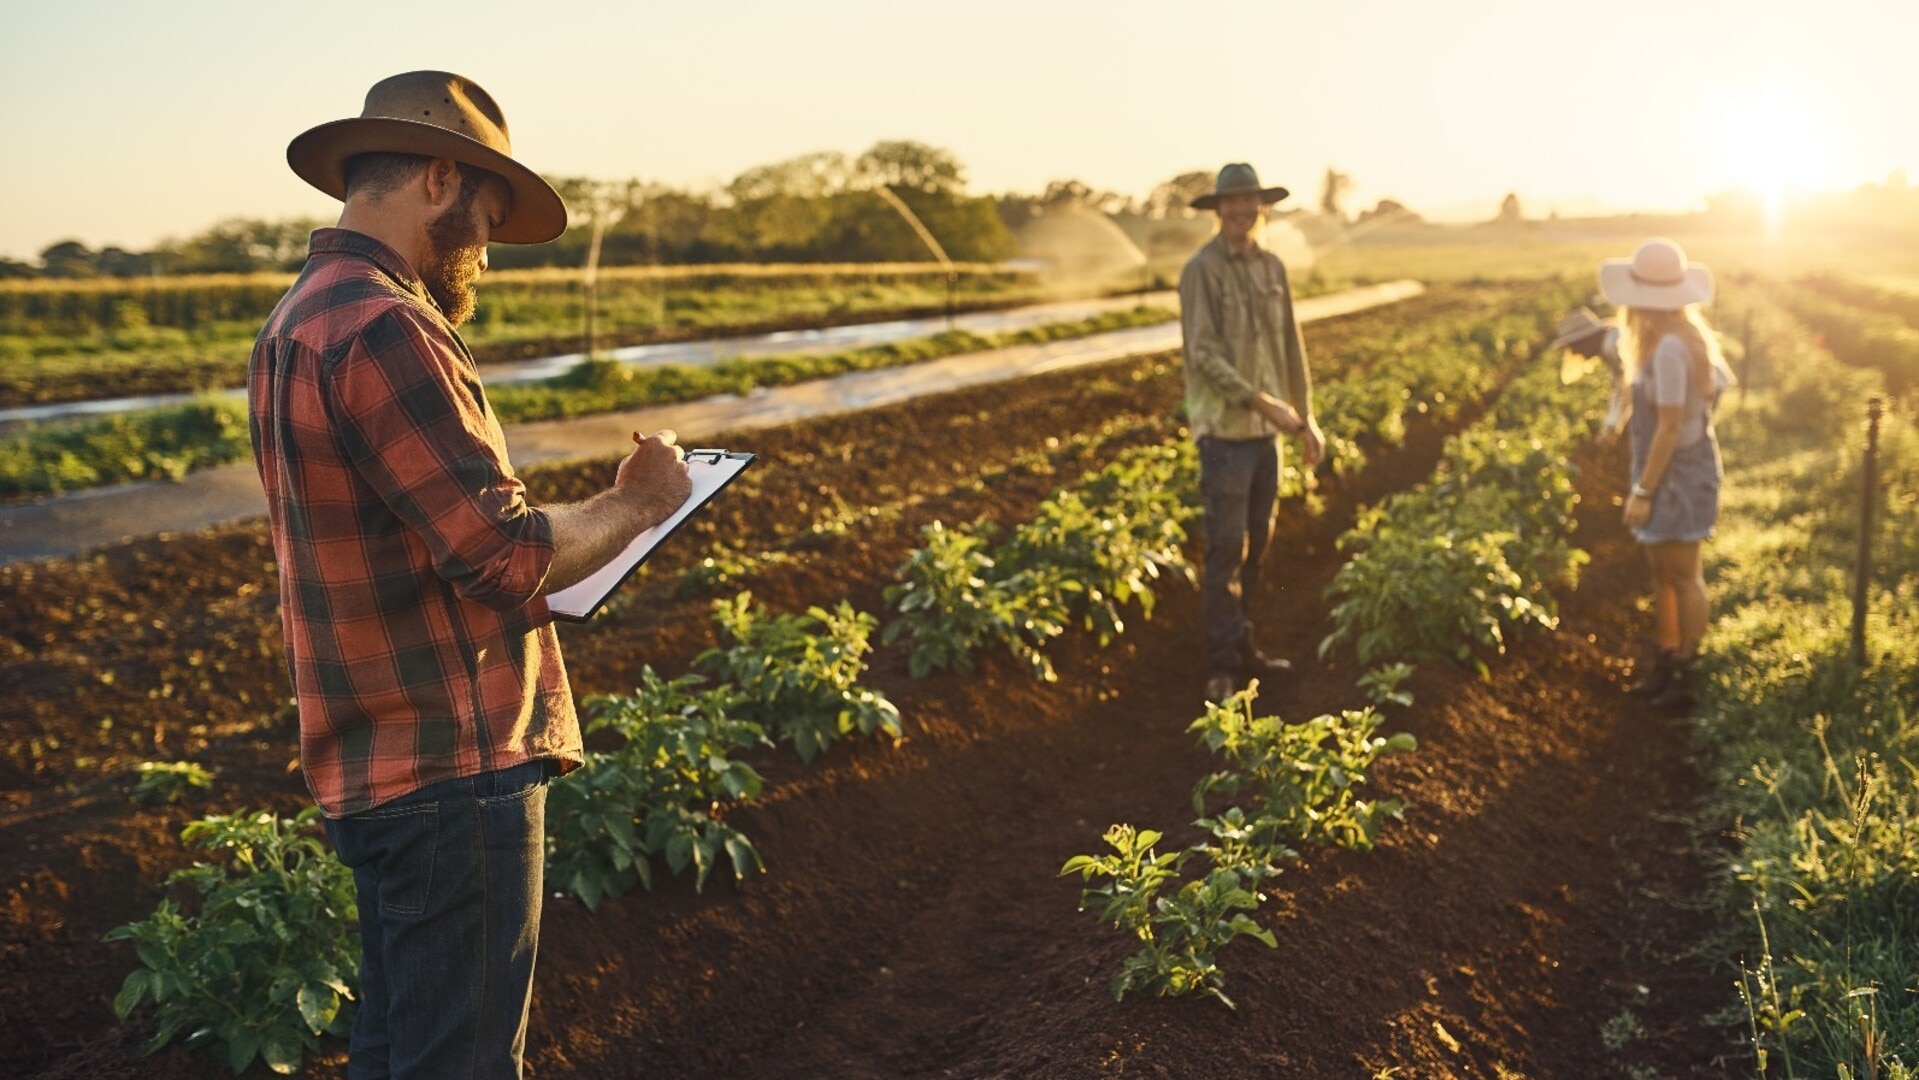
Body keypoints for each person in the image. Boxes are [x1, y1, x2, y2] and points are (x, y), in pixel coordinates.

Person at [250, 71, 692, 1078]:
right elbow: (502, 554)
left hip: (376, 760)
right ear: (440, 181)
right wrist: (639, 501)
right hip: (453, 769)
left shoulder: (298, 320)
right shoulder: (388, 327)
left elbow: (432, 537)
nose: (485, 253)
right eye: (486, 222)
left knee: (399, 1053)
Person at [1178, 163, 1325, 704]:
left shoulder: (1272, 267)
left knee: (1256, 548)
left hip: (1267, 438)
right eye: (1231, 202)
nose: (1241, 210)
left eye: (1249, 201)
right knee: (1226, 550)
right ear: (1218, 209)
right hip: (1225, 434)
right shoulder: (1202, 270)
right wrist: (1263, 403)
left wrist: (1306, 418)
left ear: (1262, 207)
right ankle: (1220, 666)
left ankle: (1243, 648)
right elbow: (1203, 353)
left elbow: (1290, 347)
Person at [1595, 238, 1733, 710]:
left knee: (1684, 575)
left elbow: (1670, 427)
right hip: (1667, 470)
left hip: (1677, 477)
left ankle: (1687, 671)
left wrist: (1643, 491)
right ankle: (1667, 655)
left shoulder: (1672, 349)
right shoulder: (1666, 340)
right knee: (1662, 573)